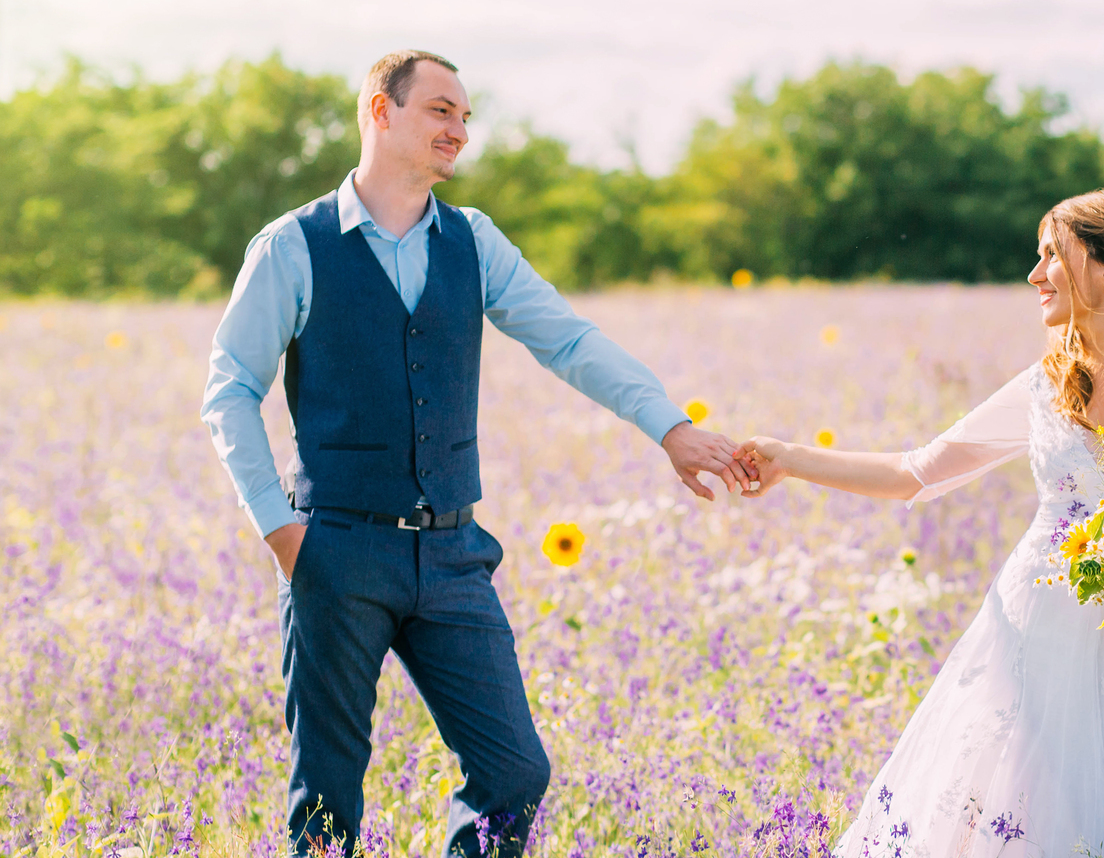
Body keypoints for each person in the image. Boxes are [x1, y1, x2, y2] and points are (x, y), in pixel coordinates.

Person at [200, 50, 751, 857]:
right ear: (380, 113)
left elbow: (568, 340)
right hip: (336, 552)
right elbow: (228, 392)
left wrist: (669, 426)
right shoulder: (293, 246)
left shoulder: (473, 241)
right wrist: (283, 534)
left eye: (464, 117)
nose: (458, 131)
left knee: (514, 770)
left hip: (454, 553)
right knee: (326, 803)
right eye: (440, 111)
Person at [735, 190, 1104, 855]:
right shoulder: (1046, 384)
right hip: (1028, 634)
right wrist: (791, 458)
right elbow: (916, 472)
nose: (1034, 275)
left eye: (1051, 255)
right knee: (1003, 813)